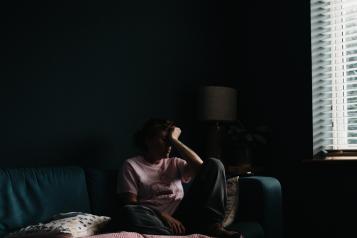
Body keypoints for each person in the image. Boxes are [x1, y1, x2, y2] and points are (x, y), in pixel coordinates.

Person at [117, 118, 243, 238]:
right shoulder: (131, 165)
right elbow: (131, 203)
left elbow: (202, 168)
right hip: (156, 219)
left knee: (215, 164)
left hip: (184, 217)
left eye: (170, 142)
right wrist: (163, 215)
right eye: (165, 140)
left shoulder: (175, 163)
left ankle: (214, 227)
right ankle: (169, 235)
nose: (169, 146)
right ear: (148, 140)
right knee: (129, 212)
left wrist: (176, 140)